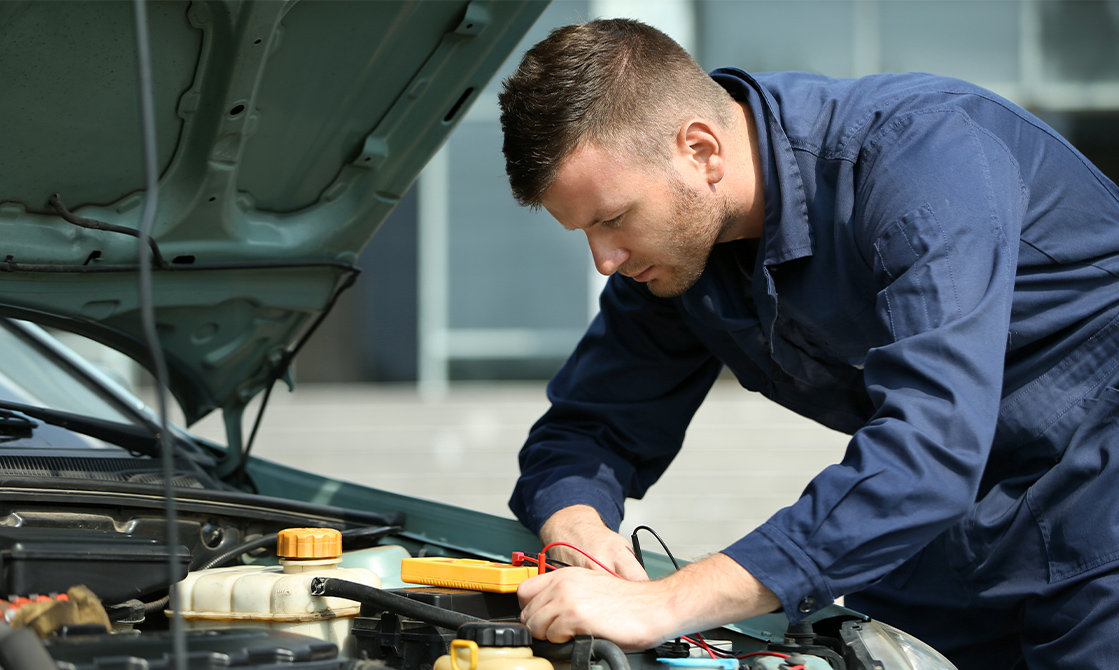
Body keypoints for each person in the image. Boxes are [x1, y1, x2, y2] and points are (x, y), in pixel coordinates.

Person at [497, 17, 1119, 669]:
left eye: (613, 218)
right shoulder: (675, 253)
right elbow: (590, 427)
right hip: (941, 541)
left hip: (1097, 507)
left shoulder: (922, 158)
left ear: (701, 151)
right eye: (584, 232)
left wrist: (664, 602)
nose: (604, 260)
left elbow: (931, 447)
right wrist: (576, 525)